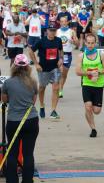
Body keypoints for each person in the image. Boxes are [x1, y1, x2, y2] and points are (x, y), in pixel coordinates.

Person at [1, 54, 39, 183]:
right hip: (31, 120)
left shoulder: (8, 82)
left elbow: (4, 99)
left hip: (14, 121)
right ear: (27, 67)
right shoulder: (33, 82)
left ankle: (12, 180)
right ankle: (28, 180)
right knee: (28, 154)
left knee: (12, 153)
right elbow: (33, 101)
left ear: (14, 66)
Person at [75, 34, 104, 137]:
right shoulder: (81, 56)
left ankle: (88, 112)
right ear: (85, 43)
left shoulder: (101, 55)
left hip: (98, 85)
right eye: (88, 43)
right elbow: (77, 71)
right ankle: (93, 128)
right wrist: (89, 73)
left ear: (95, 43)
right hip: (87, 84)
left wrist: (98, 71)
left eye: (92, 43)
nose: (90, 45)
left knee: (96, 111)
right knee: (88, 106)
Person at [28, 25, 63, 119]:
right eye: (50, 30)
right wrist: (36, 64)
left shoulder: (58, 40)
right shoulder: (41, 41)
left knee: (56, 88)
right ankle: (42, 105)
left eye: (54, 30)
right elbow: (31, 51)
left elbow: (60, 50)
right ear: (47, 31)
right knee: (42, 88)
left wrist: (61, 59)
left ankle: (53, 110)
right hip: (43, 69)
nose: (52, 32)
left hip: (55, 68)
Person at [56, 16, 79, 98]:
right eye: (61, 21)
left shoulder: (72, 32)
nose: (63, 23)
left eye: (65, 21)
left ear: (67, 22)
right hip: (58, 54)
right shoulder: (57, 31)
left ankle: (61, 89)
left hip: (67, 54)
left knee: (64, 74)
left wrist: (74, 41)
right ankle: (57, 89)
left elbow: (78, 44)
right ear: (60, 22)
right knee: (59, 72)